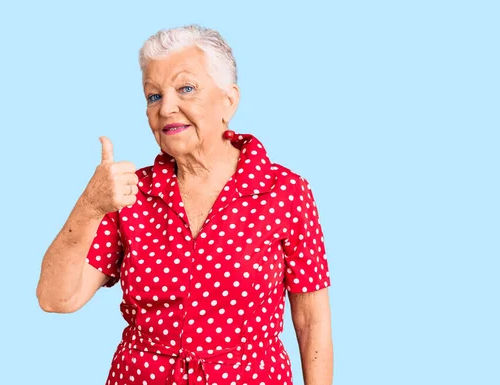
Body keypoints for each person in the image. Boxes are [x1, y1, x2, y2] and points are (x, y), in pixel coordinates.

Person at [36, 24, 333, 385]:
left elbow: (311, 321)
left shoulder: (285, 192)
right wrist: (90, 205)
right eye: (153, 96)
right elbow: (56, 299)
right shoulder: (130, 195)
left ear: (229, 100)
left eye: (186, 88)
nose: (166, 108)